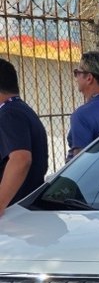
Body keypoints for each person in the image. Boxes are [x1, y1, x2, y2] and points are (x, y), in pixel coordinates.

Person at [0, 58, 49, 217]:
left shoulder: (9, 114)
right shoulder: (22, 110)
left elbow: (21, 159)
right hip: (23, 208)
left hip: (13, 213)